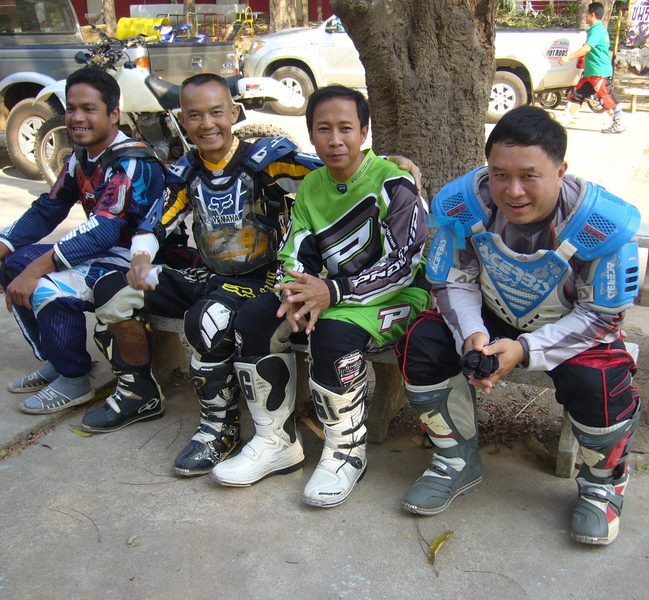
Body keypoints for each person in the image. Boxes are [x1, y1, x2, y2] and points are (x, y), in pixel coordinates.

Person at [85, 75, 421, 479]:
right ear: (182, 120)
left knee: (211, 321)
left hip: (258, 278)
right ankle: (138, 391)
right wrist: (141, 259)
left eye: (216, 112)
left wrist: (389, 160)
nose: (206, 123)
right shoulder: (186, 170)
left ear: (234, 114)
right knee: (110, 289)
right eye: (194, 115)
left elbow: (339, 167)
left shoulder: (267, 160)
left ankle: (220, 428)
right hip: (209, 272)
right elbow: (157, 219)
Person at [396, 105, 641, 546]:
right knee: (422, 341)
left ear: (561, 171)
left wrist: (526, 350)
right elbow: (453, 278)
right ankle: (455, 459)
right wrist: (473, 335)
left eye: (530, 176)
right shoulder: (465, 205)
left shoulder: (602, 226)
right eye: (499, 175)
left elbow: (600, 315)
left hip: (571, 325)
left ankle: (603, 484)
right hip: (491, 311)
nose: (513, 191)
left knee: (601, 382)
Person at [210, 85, 430, 508]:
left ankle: (347, 450)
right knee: (257, 318)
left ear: (363, 132)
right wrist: (293, 293)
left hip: (397, 295)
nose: (335, 139)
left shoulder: (394, 182)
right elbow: (294, 250)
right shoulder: (311, 185)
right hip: (334, 291)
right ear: (310, 134)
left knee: (332, 333)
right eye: (323, 129)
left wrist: (333, 291)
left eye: (346, 128)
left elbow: (406, 262)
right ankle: (275, 442)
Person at [0, 67, 167, 415]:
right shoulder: (81, 157)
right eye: (71, 108)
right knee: (12, 263)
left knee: (45, 285)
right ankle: (58, 358)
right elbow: (49, 208)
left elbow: (105, 229)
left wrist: (37, 269)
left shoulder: (131, 162)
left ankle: (74, 378)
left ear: (113, 114)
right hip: (106, 253)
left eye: (89, 109)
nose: (77, 117)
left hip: (143, 261)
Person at [557, 2, 626, 134]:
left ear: (592, 15)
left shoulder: (597, 30)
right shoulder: (596, 29)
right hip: (591, 73)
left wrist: (568, 58)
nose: (585, 16)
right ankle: (562, 123)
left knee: (606, 98)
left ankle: (619, 124)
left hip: (599, 73)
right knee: (576, 95)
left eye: (587, 13)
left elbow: (587, 48)